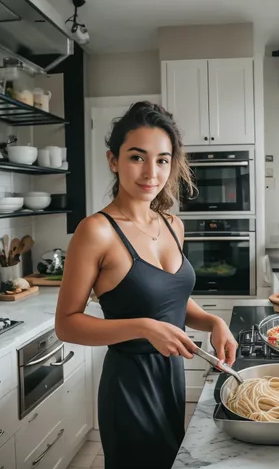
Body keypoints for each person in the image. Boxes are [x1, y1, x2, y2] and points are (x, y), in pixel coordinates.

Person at [55, 101, 238, 469]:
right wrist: (142, 328)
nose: (151, 172)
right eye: (137, 157)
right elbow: (67, 324)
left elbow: (169, 303)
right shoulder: (97, 231)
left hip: (170, 380)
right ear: (113, 160)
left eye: (162, 160)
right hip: (129, 389)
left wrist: (214, 322)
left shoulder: (173, 224)